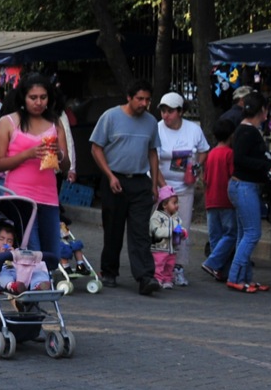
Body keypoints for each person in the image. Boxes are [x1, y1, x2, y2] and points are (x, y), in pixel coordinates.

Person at [88, 79, 164, 295]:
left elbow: (152, 152)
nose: (144, 103)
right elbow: (96, 148)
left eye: (147, 100)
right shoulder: (110, 117)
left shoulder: (151, 122)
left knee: (140, 231)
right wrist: (110, 176)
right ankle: (109, 270)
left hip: (140, 181)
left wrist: (155, 184)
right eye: (140, 99)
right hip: (115, 179)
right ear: (129, 97)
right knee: (113, 228)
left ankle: (145, 276)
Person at [0, 74, 68, 262]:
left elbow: (66, 166)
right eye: (33, 97)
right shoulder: (8, 122)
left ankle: (45, 280)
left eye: (43, 97)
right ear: (23, 98)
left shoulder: (55, 123)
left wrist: (58, 154)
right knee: (31, 254)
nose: (38, 102)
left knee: (52, 256)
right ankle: (32, 281)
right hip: (20, 197)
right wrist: (28, 154)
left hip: (49, 197)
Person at [154, 91, 208, 280]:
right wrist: (164, 188)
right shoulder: (157, 129)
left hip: (185, 189)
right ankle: (159, 266)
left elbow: (203, 150)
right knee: (161, 228)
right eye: (163, 111)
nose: (165, 115)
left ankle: (178, 266)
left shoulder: (193, 130)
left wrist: (196, 167)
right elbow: (153, 161)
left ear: (180, 112)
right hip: (162, 188)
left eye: (170, 111)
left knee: (181, 229)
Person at [227, 93, 271, 293]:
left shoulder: (244, 129)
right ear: (262, 110)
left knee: (244, 234)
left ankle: (244, 277)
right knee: (253, 233)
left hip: (242, 186)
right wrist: (268, 165)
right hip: (244, 186)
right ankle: (234, 276)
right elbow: (240, 159)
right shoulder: (248, 131)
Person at [199, 118, 238, 283]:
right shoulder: (230, 154)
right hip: (226, 200)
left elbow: (205, 178)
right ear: (232, 135)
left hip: (211, 199)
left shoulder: (211, 154)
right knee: (231, 234)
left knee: (215, 236)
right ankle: (213, 263)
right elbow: (233, 176)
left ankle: (219, 270)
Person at [149, 186, 186, 290]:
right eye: (174, 203)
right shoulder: (156, 217)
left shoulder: (176, 218)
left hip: (172, 249)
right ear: (165, 204)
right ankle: (157, 279)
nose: (177, 205)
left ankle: (167, 279)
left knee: (170, 265)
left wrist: (183, 233)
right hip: (159, 247)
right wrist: (171, 231)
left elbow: (179, 227)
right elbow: (155, 231)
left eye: (177, 203)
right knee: (158, 265)